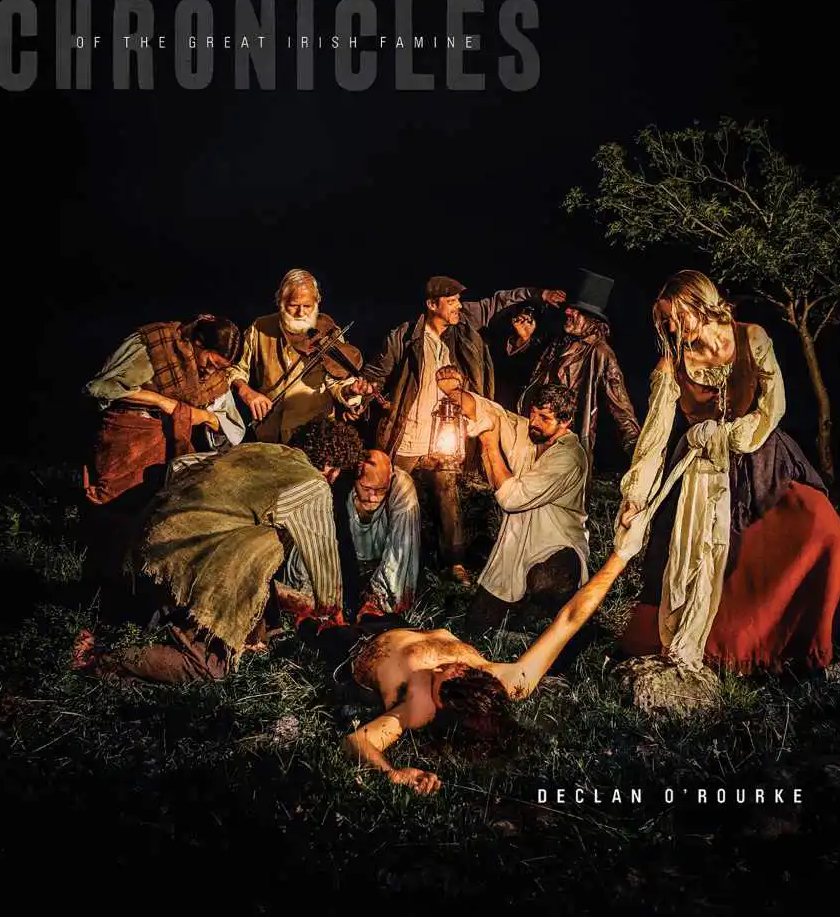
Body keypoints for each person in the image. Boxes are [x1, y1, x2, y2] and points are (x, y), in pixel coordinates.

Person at [614, 270, 840, 676]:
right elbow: (654, 436)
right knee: (707, 563)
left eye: (674, 316)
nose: (669, 327)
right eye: (664, 321)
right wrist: (635, 497)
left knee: (825, 531)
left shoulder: (751, 338)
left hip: (761, 460)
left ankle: (830, 633)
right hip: (700, 469)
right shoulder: (672, 365)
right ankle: (732, 652)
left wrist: (734, 437)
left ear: (699, 303)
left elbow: (773, 406)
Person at [288, 504, 650, 793]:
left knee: (309, 586)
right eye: (453, 670)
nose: (440, 668)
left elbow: (356, 742)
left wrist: (392, 773)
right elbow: (568, 620)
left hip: (350, 645)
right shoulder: (510, 680)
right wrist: (621, 555)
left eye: (440, 679)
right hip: (390, 622)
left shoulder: (419, 708)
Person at [71, 419, 365, 685]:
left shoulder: (260, 449)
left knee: (256, 543)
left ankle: (160, 617)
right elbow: (322, 554)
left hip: (149, 550)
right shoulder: (313, 484)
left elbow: (182, 465)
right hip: (189, 569)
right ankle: (102, 657)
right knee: (210, 668)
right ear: (331, 466)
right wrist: (332, 610)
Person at [359, 275, 566, 584]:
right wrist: (361, 392)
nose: (458, 306)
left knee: (447, 492)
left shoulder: (463, 325)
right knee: (390, 492)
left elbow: (498, 302)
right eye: (451, 301)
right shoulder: (405, 336)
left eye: (458, 300)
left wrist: (538, 294)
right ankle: (377, 553)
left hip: (441, 437)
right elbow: (377, 372)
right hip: (408, 435)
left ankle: (454, 563)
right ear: (432, 305)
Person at [442, 380, 589, 648]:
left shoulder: (569, 458)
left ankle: (547, 623)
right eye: (533, 412)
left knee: (547, 582)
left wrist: (490, 446)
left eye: (545, 418)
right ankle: (518, 624)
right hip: (515, 548)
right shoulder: (528, 432)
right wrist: (453, 391)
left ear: (565, 422)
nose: (535, 422)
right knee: (475, 627)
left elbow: (512, 499)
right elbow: (489, 411)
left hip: (555, 546)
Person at [82, 314, 246, 507]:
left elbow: (230, 427)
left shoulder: (216, 377)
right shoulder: (156, 344)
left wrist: (203, 416)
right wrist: (160, 401)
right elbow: (103, 388)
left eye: (219, 368)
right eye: (210, 363)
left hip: (168, 447)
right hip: (130, 437)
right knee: (119, 504)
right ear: (198, 342)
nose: (211, 371)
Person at [520, 268, 641, 476]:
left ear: (593, 320)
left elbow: (621, 409)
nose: (568, 312)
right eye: (570, 308)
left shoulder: (600, 353)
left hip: (566, 449)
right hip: (533, 437)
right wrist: (523, 341)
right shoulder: (559, 342)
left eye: (577, 311)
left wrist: (639, 454)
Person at [228, 268, 367, 444]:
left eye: (307, 306)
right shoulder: (260, 328)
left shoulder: (328, 332)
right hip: (269, 431)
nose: (301, 313)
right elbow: (236, 369)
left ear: (317, 303)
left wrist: (349, 391)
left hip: (313, 433)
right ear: (280, 302)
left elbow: (337, 382)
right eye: (293, 305)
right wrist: (246, 391)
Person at [285, 449, 421, 617]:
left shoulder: (400, 486)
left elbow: (401, 549)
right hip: (342, 562)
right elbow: (313, 534)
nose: (373, 497)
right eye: (366, 488)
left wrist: (378, 599)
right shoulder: (339, 483)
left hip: (378, 564)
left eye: (381, 489)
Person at [490, 303, 546, 412]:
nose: (524, 321)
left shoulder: (540, 351)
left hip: (513, 406)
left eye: (529, 319)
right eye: (521, 314)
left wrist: (525, 338)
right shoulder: (498, 339)